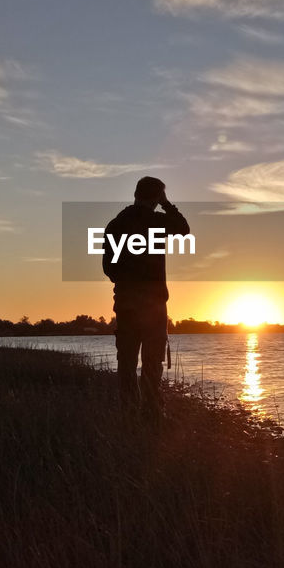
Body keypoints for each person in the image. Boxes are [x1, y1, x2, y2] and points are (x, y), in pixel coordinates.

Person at [103, 176, 189, 421]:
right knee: (152, 362)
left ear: (135, 194)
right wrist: (168, 204)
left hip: (127, 304)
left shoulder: (116, 224)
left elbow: (108, 267)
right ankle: (151, 414)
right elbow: (183, 229)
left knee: (127, 362)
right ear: (156, 198)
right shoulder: (156, 221)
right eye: (160, 197)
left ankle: (129, 413)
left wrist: (127, 281)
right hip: (153, 305)